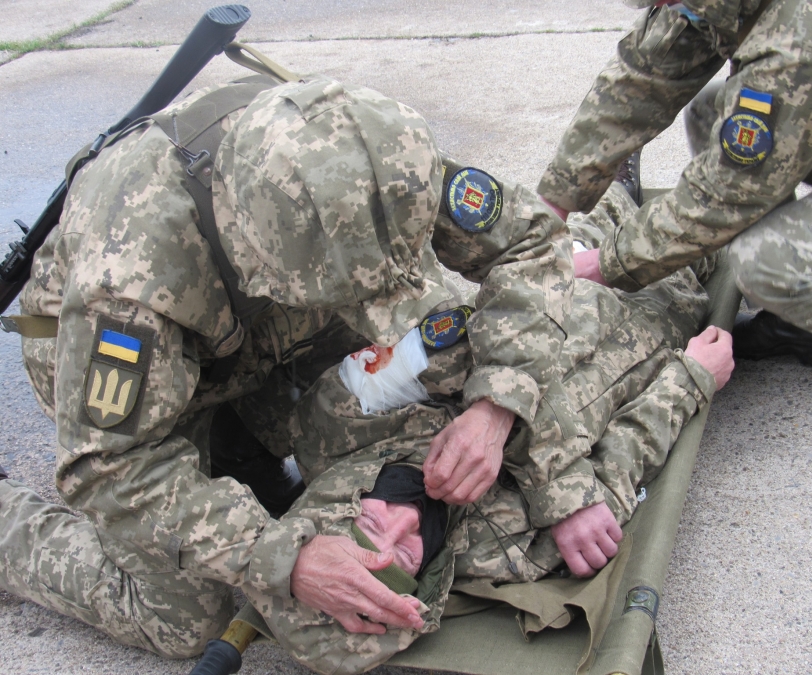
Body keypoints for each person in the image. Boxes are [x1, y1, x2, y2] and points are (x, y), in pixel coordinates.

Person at [0, 74, 574, 658]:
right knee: (184, 620)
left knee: (449, 362)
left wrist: (496, 404)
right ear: (260, 255)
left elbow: (531, 241)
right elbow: (106, 465)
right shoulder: (132, 282)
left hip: (273, 329)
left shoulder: (362, 155)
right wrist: (280, 556)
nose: (381, 306)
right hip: (154, 387)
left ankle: (245, 436)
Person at [238, 181, 734, 674]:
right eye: (406, 556)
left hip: (562, 290)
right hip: (659, 326)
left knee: (599, 207)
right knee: (720, 217)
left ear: (334, 508)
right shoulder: (497, 552)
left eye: (369, 524)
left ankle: (615, 186)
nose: (404, 522)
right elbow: (619, 466)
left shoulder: (338, 417)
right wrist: (689, 380)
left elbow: (459, 344)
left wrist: (556, 488)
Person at [536, 0, 812, 422]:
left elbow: (722, 198)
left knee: (766, 261)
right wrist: (548, 214)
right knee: (713, 113)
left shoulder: (805, 36)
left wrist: (601, 263)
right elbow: (638, 82)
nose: (660, 6)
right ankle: (810, 325)